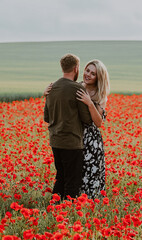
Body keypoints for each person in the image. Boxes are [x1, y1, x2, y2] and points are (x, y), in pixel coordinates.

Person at [44, 59, 110, 199]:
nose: (88, 74)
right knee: (73, 174)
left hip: (91, 141)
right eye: (87, 70)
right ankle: (69, 202)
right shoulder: (77, 87)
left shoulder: (100, 95)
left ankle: (83, 203)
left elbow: (98, 122)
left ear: (99, 77)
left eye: (93, 73)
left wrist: (89, 103)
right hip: (74, 136)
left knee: (88, 174)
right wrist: (48, 95)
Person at [44, 53, 92, 201]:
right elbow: (87, 119)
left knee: (61, 177)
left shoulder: (51, 87)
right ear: (76, 68)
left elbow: (47, 117)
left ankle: (54, 207)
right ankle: (66, 211)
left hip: (55, 141)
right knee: (72, 180)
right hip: (72, 142)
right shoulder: (77, 89)